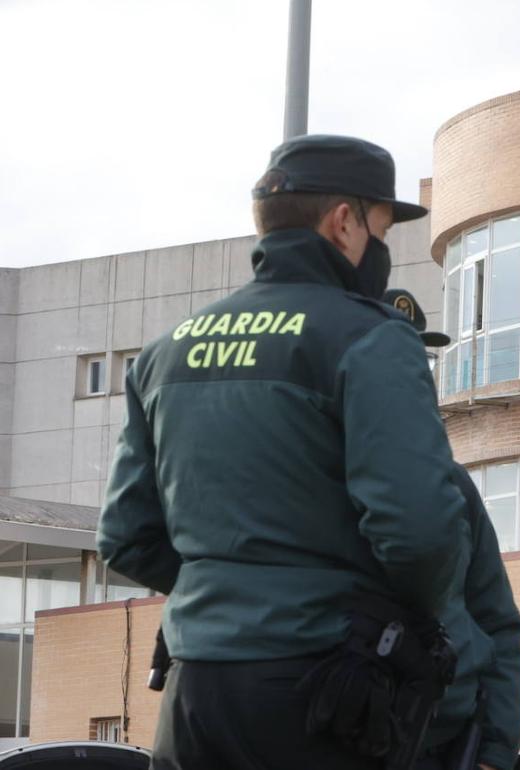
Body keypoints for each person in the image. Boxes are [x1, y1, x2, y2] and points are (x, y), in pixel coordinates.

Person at [97, 134, 472, 770]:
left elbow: (126, 536)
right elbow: (419, 529)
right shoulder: (371, 339)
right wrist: (400, 616)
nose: (381, 250)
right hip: (326, 691)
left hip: (195, 692)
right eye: (382, 228)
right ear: (345, 221)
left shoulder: (167, 352)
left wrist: (229, 593)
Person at [389, 293, 520, 770]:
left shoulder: (452, 484)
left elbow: (500, 625)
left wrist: (493, 749)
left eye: (420, 357)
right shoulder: (316, 478)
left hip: (444, 744)